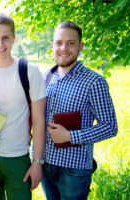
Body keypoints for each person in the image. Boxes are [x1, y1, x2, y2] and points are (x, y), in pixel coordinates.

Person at [41, 21, 118, 200]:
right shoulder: (45, 77)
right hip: (45, 165)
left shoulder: (94, 82)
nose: (64, 48)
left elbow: (110, 126)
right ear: (52, 46)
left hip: (74, 169)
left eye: (71, 43)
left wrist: (69, 136)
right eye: (59, 43)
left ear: (80, 46)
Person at [0, 13, 47, 200]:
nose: (0, 44)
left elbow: (39, 119)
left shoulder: (29, 71)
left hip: (18, 158)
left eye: (5, 38)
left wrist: (37, 162)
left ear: (14, 38)